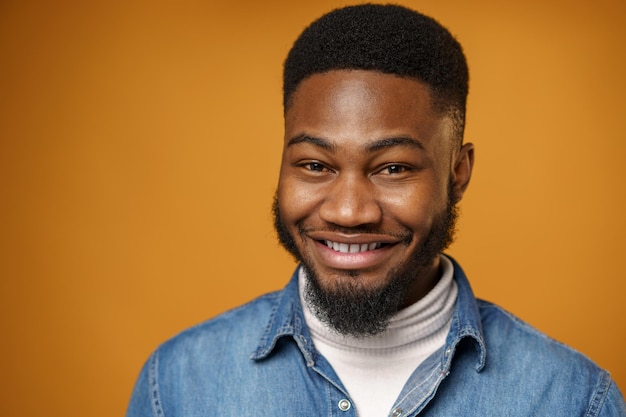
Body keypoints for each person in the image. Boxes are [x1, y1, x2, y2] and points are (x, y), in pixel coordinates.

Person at [126, 4, 625, 416]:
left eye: (392, 169)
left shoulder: (574, 400)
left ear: (458, 172)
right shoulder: (176, 386)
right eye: (316, 165)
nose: (348, 211)